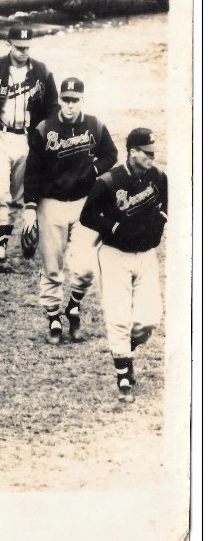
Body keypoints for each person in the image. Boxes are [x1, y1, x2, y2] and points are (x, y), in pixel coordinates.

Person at [22, 77, 118, 344]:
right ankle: (53, 318)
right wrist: (30, 208)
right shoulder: (44, 129)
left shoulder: (95, 126)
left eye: (75, 100)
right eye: (65, 99)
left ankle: (73, 306)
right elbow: (32, 172)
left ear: (82, 101)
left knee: (87, 266)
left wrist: (95, 170)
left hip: (83, 204)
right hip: (50, 204)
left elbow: (112, 153)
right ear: (59, 100)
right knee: (52, 266)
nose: (70, 105)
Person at [80, 128, 167, 403]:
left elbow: (167, 205)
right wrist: (115, 226)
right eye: (147, 152)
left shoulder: (159, 177)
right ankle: (123, 377)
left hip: (145, 255)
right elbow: (87, 216)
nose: (152, 157)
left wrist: (161, 221)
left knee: (149, 320)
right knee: (119, 318)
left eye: (153, 151)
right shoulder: (108, 181)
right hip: (115, 255)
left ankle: (125, 349)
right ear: (132, 152)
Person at [0, 24, 59, 273]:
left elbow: (52, 109)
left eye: (27, 47)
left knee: (19, 198)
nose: (24, 51)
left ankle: (17, 234)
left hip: (28, 140)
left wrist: (46, 140)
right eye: (19, 47)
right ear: (9, 45)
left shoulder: (41, 72)